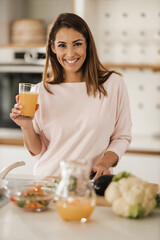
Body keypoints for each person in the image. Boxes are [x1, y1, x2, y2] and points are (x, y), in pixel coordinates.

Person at [10, 13, 132, 179]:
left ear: (87, 44)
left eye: (77, 44)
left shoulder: (112, 84)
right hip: (49, 182)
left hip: (91, 184)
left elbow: (121, 136)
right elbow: (39, 151)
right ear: (53, 48)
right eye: (62, 45)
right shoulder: (40, 91)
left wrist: (104, 162)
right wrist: (26, 126)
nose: (70, 53)